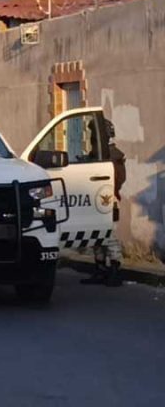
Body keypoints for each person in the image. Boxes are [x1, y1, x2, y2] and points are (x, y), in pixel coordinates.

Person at [81, 118, 126, 287]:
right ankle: (100, 269)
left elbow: (119, 178)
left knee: (110, 235)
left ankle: (115, 268)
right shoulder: (97, 154)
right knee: (96, 236)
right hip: (96, 201)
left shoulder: (114, 155)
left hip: (109, 200)